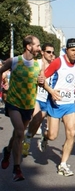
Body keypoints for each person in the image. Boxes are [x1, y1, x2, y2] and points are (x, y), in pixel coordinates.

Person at [0, 35, 44, 181]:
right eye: (37, 45)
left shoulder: (39, 64)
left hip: (28, 105)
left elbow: (41, 81)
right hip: (14, 103)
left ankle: (7, 150)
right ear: (29, 46)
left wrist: (42, 81)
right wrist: (3, 83)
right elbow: (1, 71)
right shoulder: (14, 61)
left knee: (17, 134)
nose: (39, 48)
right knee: (20, 131)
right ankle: (17, 169)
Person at [40, 38, 75, 177]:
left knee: (71, 133)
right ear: (67, 50)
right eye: (73, 50)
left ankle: (63, 164)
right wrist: (51, 91)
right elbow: (41, 78)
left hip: (69, 104)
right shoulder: (58, 61)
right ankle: (45, 137)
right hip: (55, 104)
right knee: (53, 135)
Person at [22, 43, 55, 156]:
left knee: (43, 127)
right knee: (37, 118)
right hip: (36, 96)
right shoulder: (37, 64)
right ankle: (27, 139)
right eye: (48, 52)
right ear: (42, 52)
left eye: (52, 52)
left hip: (47, 99)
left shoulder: (54, 66)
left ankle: (36, 137)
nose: (51, 54)